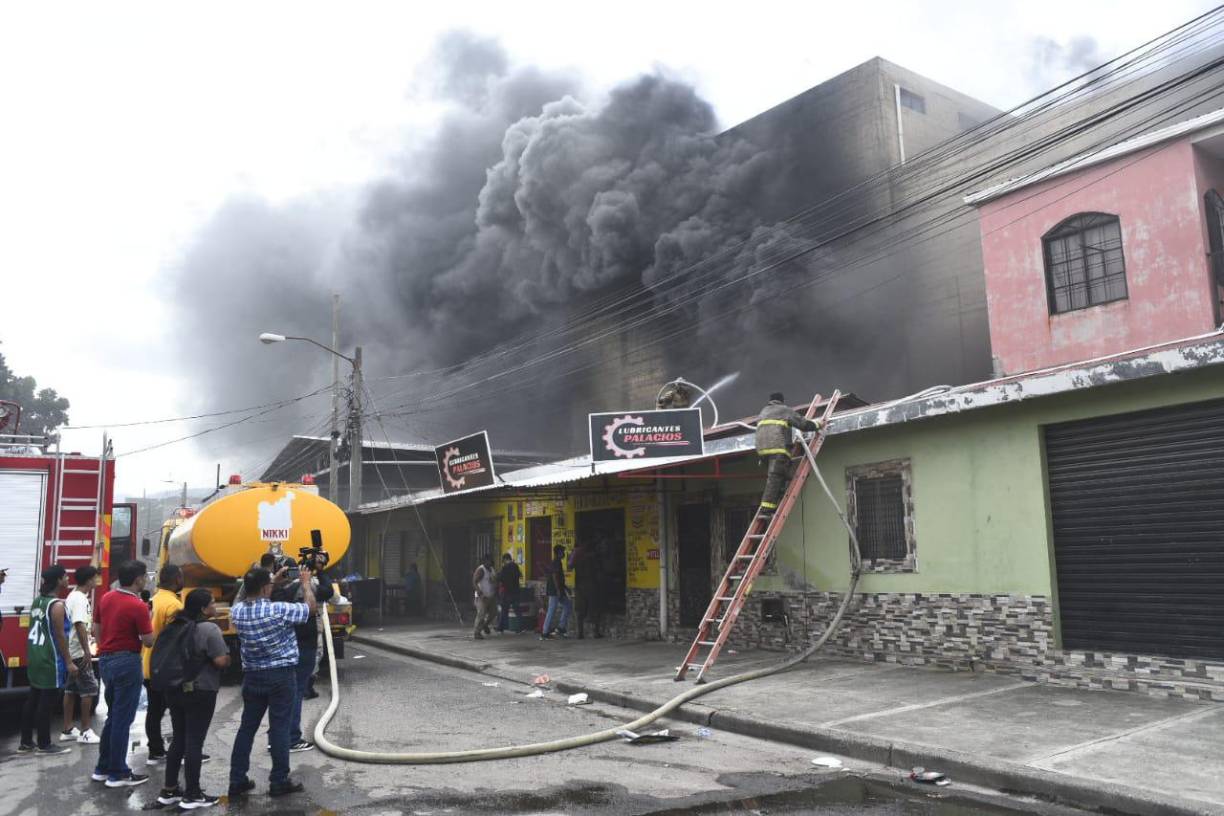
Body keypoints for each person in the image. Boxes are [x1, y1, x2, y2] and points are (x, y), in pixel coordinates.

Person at [228, 565, 315, 798]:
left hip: (252, 676)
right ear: (266, 588)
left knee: (247, 728)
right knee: (279, 728)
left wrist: (271, 581)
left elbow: (241, 598)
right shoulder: (279, 610)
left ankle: (237, 779)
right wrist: (305, 583)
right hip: (281, 676)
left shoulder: (237, 613)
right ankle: (278, 781)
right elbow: (309, 609)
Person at [156, 588, 230, 810]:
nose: (215, 607)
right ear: (203, 608)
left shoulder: (175, 625)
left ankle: (169, 790)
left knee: (179, 737)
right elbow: (219, 661)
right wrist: (228, 659)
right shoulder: (209, 629)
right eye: (212, 603)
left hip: (174, 690)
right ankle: (193, 794)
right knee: (194, 741)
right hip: (201, 691)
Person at [93, 559, 154, 787]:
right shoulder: (137, 605)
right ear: (138, 579)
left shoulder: (106, 598)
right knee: (122, 719)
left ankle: (103, 766)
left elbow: (96, 627)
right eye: (145, 576)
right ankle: (118, 772)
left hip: (106, 660)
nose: (146, 580)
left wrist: (105, 647)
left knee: (113, 715)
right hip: (127, 661)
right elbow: (148, 641)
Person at [19, 565, 75, 756]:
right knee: (47, 702)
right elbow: (60, 636)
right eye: (65, 576)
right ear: (58, 580)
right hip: (50, 658)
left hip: (35, 655)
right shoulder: (57, 605)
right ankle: (44, 744)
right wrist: (68, 661)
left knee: (33, 699)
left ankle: (25, 742)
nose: (68, 579)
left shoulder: (37, 601)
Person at [286, 564, 333, 752]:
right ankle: (291, 738)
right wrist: (318, 573)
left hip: (288, 647)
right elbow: (326, 592)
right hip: (305, 644)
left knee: (284, 695)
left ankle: (278, 737)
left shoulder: (280, 592)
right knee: (295, 691)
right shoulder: (308, 587)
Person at [143, 564, 185, 764]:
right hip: (166, 667)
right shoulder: (174, 606)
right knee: (179, 712)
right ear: (176, 579)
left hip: (149, 664)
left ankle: (156, 750)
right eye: (182, 577)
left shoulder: (154, 599)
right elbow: (178, 640)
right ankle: (182, 751)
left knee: (154, 711)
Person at [755, 392, 822, 515]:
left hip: (761, 451)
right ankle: (767, 508)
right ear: (781, 401)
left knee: (779, 474)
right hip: (777, 448)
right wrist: (817, 424)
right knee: (775, 476)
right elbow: (803, 424)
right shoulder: (784, 410)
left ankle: (779, 491)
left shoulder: (763, 412)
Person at [61, 566, 101, 744]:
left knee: (71, 690)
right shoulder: (79, 599)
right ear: (89, 580)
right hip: (78, 651)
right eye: (95, 578)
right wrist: (87, 651)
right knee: (89, 689)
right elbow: (79, 624)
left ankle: (68, 729)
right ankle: (86, 730)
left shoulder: (73, 596)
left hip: (72, 650)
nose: (97, 581)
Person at [571, 539, 604, 639]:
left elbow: (569, 566)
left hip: (580, 586)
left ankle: (580, 633)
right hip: (591, 585)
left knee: (580, 611)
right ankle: (595, 632)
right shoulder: (592, 557)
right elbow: (598, 571)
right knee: (594, 609)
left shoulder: (576, 554)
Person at [539, 545, 572, 640]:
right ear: (559, 553)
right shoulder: (557, 562)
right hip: (555, 590)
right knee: (551, 610)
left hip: (558, 589)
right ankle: (544, 633)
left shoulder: (557, 562)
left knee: (568, 605)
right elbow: (555, 576)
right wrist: (558, 590)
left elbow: (559, 578)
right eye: (563, 552)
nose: (564, 554)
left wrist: (565, 588)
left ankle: (561, 628)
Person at [471, 555, 497, 640]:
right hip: (482, 597)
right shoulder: (481, 570)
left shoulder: (492, 569)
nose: (490, 563)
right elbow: (474, 581)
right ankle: (477, 632)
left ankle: (485, 625)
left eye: (491, 561)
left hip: (491, 596)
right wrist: (479, 592)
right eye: (488, 561)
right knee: (481, 614)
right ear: (485, 561)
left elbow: (494, 580)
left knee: (493, 613)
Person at [495, 553, 522, 633]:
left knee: (504, 611)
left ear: (506, 559)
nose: (503, 562)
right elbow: (519, 575)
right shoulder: (516, 566)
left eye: (503, 560)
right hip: (516, 591)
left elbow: (500, 578)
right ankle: (520, 628)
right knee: (517, 610)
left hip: (507, 592)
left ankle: (501, 627)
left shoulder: (505, 568)